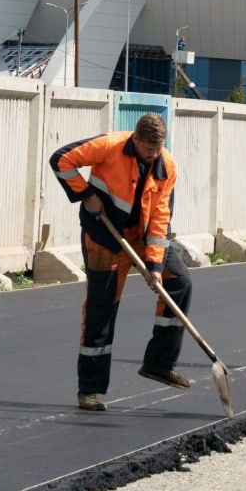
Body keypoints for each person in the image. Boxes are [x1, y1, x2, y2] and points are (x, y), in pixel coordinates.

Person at [50, 113, 192, 412]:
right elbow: (62, 159)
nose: (154, 154)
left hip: (140, 236)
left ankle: (159, 363)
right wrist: (86, 193)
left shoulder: (167, 167)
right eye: (148, 149)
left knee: (178, 282)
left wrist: (154, 267)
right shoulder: (109, 145)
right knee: (102, 307)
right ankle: (89, 390)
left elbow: (161, 218)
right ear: (136, 139)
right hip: (104, 236)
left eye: (158, 149)